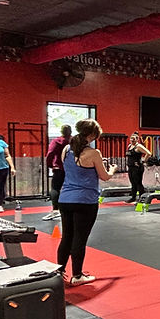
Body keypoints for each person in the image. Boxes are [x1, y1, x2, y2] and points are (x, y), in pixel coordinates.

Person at [57, 119, 116, 285]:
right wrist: (112, 169)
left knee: (66, 237)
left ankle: (59, 271)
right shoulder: (93, 153)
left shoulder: (66, 149)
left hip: (65, 198)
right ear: (92, 135)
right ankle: (77, 275)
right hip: (85, 201)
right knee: (79, 239)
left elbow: (69, 169)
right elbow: (104, 176)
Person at [44, 124, 71, 220]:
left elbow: (50, 153)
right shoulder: (72, 142)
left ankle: (55, 210)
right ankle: (69, 208)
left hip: (59, 168)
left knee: (55, 188)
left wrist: (50, 165)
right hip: (71, 169)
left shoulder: (57, 141)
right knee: (70, 188)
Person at [126, 132, 151, 203]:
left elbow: (148, 153)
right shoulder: (129, 146)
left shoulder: (139, 146)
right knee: (133, 183)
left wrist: (143, 161)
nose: (132, 140)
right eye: (131, 138)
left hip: (137, 168)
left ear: (137, 139)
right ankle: (133, 197)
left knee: (138, 183)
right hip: (130, 167)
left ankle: (142, 198)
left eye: (133, 139)